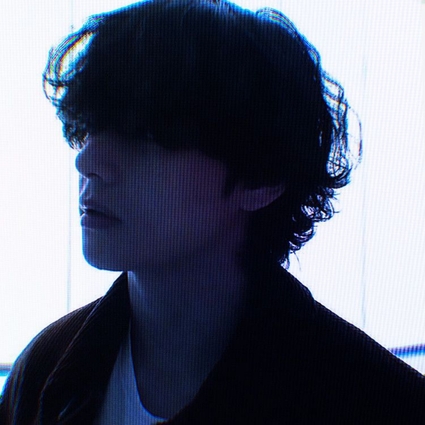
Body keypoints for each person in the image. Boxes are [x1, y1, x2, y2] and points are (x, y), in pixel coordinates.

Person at [1, 0, 424, 423]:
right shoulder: (44, 370)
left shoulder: (376, 402)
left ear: (260, 178)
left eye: (141, 137)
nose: (88, 161)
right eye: (89, 128)